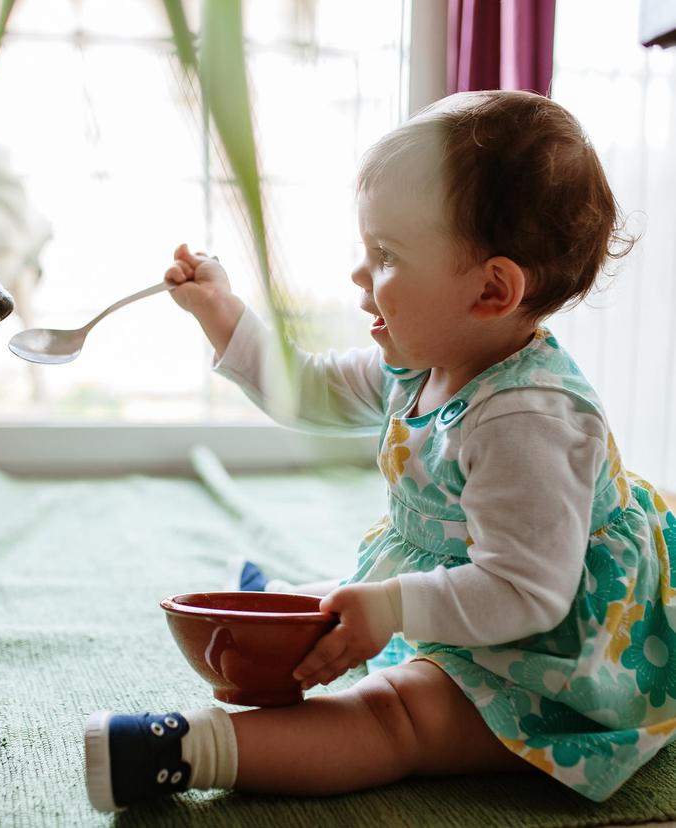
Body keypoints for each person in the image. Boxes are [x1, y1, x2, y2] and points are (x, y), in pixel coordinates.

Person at [83, 90, 676, 812]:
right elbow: (310, 389)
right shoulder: (424, 360)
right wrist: (222, 314)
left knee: (397, 715)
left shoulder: (530, 419)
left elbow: (525, 593)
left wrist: (392, 609)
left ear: (492, 289)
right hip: (467, 599)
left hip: (551, 656)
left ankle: (185, 752)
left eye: (386, 256)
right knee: (323, 612)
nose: (359, 276)